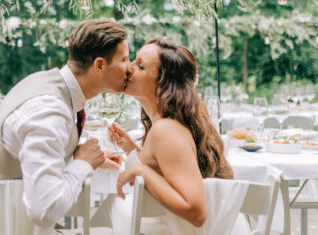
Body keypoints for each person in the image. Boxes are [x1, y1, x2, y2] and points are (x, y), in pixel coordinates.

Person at [0, 19, 130, 234]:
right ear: (99, 65)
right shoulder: (48, 109)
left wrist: (83, 157)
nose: (129, 68)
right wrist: (82, 163)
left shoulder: (44, 83)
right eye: (125, 59)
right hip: (0, 228)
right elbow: (44, 211)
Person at [99, 37, 249, 234]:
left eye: (140, 66)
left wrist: (142, 172)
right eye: (133, 60)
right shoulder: (164, 126)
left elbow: (196, 212)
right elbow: (164, 170)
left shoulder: (166, 130)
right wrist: (130, 147)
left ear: (161, 86)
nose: (128, 67)